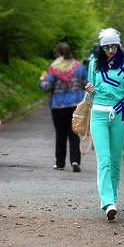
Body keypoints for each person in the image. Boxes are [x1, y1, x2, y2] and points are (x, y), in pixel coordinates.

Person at [85, 28, 124, 220]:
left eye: (113, 46)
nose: (110, 50)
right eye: (106, 47)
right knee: (104, 159)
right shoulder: (93, 65)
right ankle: (107, 201)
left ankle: (112, 198)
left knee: (116, 160)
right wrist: (90, 89)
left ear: (119, 45)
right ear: (101, 47)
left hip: (120, 115)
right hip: (98, 114)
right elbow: (91, 94)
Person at [39, 42, 88, 172]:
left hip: (58, 106)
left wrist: (42, 80)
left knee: (60, 135)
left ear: (58, 54)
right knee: (74, 134)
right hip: (75, 106)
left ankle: (60, 163)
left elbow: (47, 87)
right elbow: (86, 84)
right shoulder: (79, 67)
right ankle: (75, 160)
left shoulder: (54, 68)